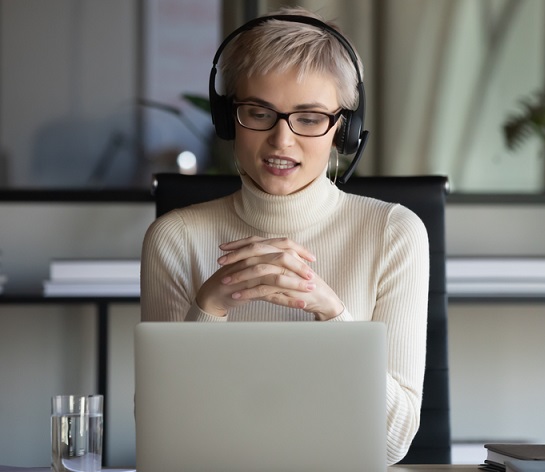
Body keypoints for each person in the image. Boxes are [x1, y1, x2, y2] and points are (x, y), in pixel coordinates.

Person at [139, 7, 429, 465]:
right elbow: (167, 440)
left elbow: (391, 443)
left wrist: (331, 313)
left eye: (310, 118)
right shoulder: (174, 238)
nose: (282, 141)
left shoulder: (395, 234)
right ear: (227, 118)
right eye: (259, 112)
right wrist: (210, 307)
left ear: (344, 130)